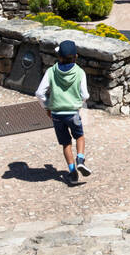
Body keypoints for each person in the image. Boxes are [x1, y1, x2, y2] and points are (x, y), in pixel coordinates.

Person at [36, 39, 91, 186]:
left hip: (56, 114)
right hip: (73, 112)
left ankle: (72, 173)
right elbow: (85, 95)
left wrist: (47, 107)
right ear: (76, 56)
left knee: (66, 143)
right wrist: (78, 103)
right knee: (79, 136)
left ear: (59, 57)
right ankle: (80, 158)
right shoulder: (80, 72)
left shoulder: (51, 71)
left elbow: (39, 93)